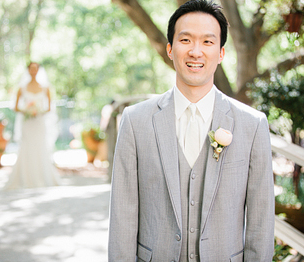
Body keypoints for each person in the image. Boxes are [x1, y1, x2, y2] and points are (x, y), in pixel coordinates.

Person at [108, 0, 274, 261]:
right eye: (186, 40)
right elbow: (122, 215)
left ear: (220, 53)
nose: (196, 51)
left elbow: (261, 222)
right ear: (170, 49)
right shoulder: (135, 121)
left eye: (207, 42)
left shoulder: (252, 125)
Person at [5, 62, 59, 190]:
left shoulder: (46, 88)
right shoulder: (21, 88)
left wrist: (38, 110)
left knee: (40, 146)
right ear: (28, 70)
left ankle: (42, 177)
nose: (33, 71)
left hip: (39, 122)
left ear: (39, 70)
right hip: (27, 122)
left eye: (36, 68)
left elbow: (50, 108)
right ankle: (25, 177)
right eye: (31, 68)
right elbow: (16, 107)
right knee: (27, 146)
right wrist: (27, 110)